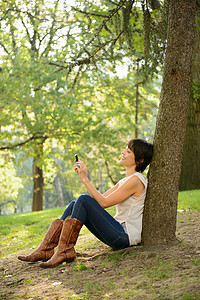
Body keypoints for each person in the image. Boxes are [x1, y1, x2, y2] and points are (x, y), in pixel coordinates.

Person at [18, 138, 153, 268]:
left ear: (140, 160)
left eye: (129, 151)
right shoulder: (126, 180)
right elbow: (97, 202)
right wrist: (83, 176)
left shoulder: (136, 180)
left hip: (124, 236)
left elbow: (104, 203)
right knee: (74, 204)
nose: (123, 152)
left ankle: (65, 250)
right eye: (125, 149)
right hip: (117, 232)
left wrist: (84, 178)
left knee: (82, 199)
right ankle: (46, 249)